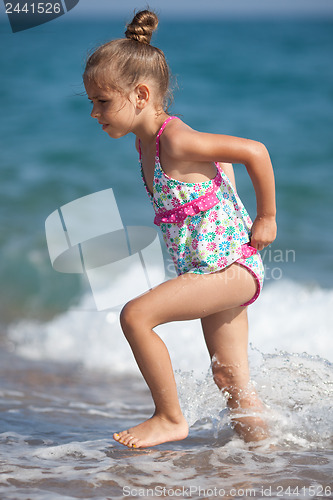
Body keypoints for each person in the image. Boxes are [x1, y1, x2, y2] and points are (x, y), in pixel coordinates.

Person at [83, 9, 277, 449]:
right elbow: (218, 170)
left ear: (141, 94)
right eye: (91, 102)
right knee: (230, 379)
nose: (94, 113)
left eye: (102, 101)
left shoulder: (174, 139)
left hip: (227, 270)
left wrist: (266, 216)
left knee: (135, 315)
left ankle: (169, 418)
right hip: (211, 267)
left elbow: (255, 151)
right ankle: (266, 461)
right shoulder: (144, 142)